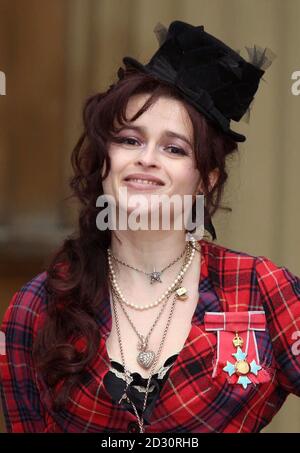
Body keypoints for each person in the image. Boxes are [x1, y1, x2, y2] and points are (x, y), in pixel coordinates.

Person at [0, 20, 299, 434]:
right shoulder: (37, 307)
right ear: (105, 160)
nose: (147, 158)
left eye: (174, 148)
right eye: (129, 139)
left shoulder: (262, 291)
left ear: (206, 179)